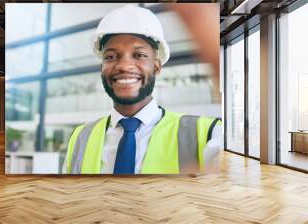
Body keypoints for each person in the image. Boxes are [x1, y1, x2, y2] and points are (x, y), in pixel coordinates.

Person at [63, 5, 222, 174]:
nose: (124, 66)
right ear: (102, 67)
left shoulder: (208, 133)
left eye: (139, 55)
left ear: (157, 67)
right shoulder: (80, 137)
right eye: (110, 57)